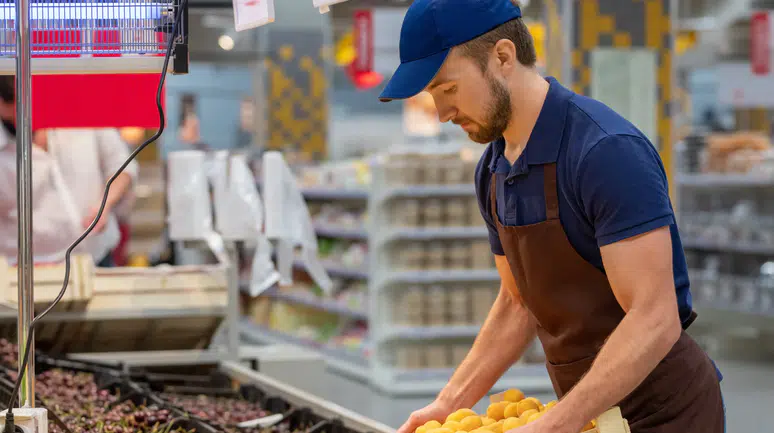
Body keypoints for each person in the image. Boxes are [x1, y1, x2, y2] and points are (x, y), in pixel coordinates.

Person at [378, 1, 724, 433]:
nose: (443, 112)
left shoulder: (604, 151)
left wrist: (559, 422)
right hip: (590, 414)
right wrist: (448, 403)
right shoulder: (493, 169)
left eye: (447, 89)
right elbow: (516, 301)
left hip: (666, 414)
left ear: (503, 57)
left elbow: (654, 317)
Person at [0, 76, 137, 267]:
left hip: (96, 256)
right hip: (23, 267)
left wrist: (105, 204)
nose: (27, 114)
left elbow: (122, 164)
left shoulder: (81, 109)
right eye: (16, 106)